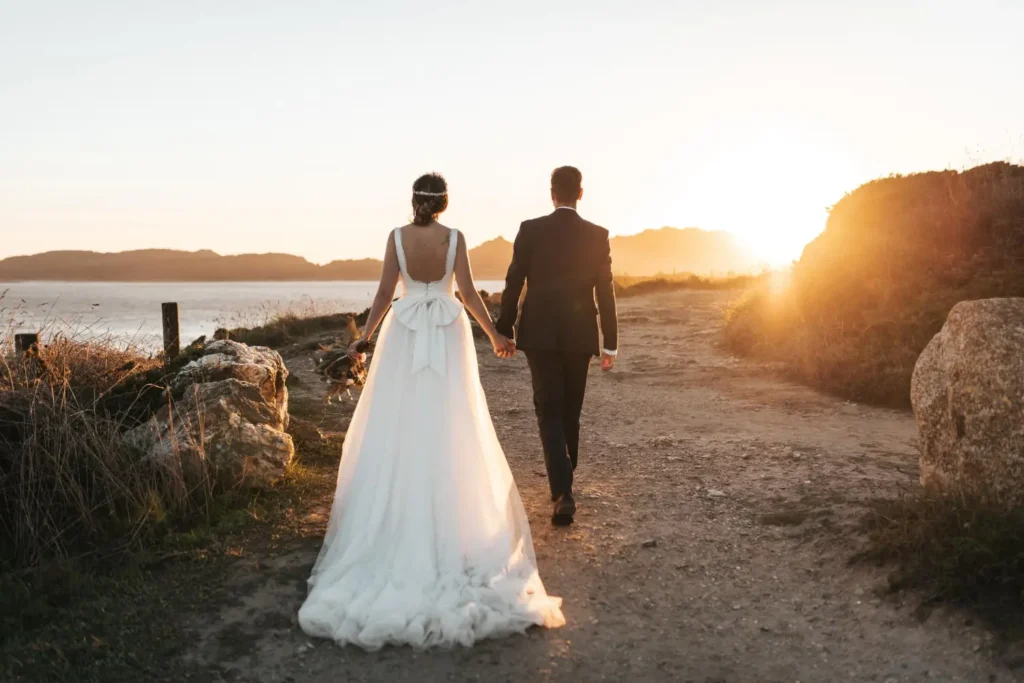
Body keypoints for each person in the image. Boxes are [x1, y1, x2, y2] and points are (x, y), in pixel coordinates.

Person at [297, 172, 564, 650]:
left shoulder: (396, 238)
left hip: (402, 331)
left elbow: (382, 295)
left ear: (413, 201)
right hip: (447, 332)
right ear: (443, 203)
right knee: (452, 424)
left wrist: (363, 339)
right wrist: (495, 335)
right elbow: (467, 292)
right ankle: (454, 523)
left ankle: (396, 523)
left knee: (398, 424)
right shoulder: (455, 237)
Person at [496, 166, 618, 526]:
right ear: (580, 193)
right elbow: (605, 291)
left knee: (548, 408)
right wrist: (609, 342)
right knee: (570, 409)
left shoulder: (530, 230)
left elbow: (513, 280)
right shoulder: (598, 235)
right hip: (580, 334)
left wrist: (504, 329)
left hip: (539, 332)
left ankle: (563, 490)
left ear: (552, 194)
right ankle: (565, 481)